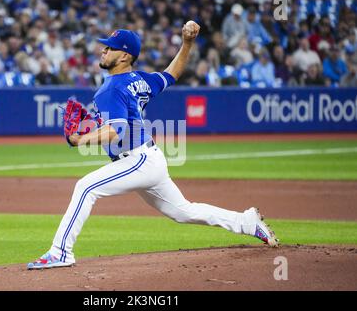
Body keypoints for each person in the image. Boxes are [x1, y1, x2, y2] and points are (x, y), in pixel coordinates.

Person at [27, 22, 279, 270]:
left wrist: (80, 139)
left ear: (125, 55)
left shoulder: (111, 88)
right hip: (149, 159)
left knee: (85, 188)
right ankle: (246, 222)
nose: (103, 50)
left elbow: (117, 130)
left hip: (137, 160)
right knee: (184, 212)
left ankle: (60, 252)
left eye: (110, 48)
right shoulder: (140, 80)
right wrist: (187, 44)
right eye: (104, 47)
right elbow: (171, 74)